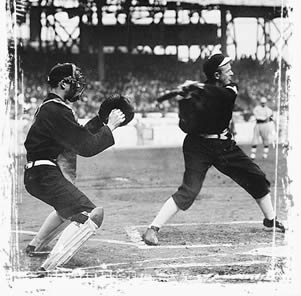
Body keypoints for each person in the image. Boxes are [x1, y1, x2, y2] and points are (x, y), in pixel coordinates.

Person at [142, 53, 285, 246]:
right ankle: (153, 229)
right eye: (228, 70)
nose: (232, 72)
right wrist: (186, 100)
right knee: (189, 190)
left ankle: (270, 219)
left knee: (256, 176)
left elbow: (222, 96)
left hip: (224, 145)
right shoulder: (195, 94)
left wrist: (199, 88)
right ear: (217, 75)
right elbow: (185, 126)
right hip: (197, 147)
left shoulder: (229, 89)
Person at [23, 63, 125, 272]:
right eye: (74, 82)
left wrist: (99, 120)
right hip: (44, 173)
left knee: (66, 208)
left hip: (38, 172)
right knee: (90, 215)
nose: (78, 86)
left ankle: (36, 245)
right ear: (63, 84)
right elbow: (85, 147)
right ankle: (50, 266)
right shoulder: (56, 110)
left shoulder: (51, 107)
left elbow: (77, 135)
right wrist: (111, 127)